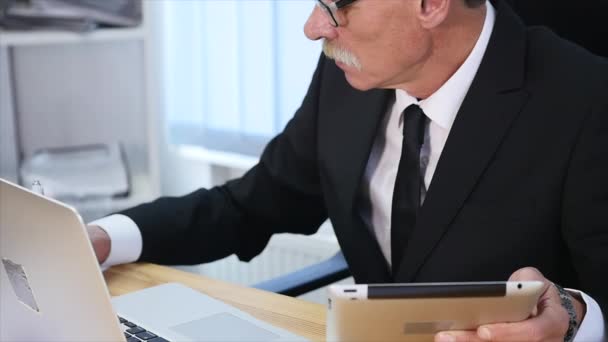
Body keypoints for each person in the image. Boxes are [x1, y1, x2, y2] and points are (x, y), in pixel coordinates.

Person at [88, 0, 608, 340]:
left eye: (337, 6)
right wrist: (107, 237)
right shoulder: (349, 75)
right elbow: (251, 202)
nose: (314, 27)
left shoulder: (586, 100)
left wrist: (574, 318)